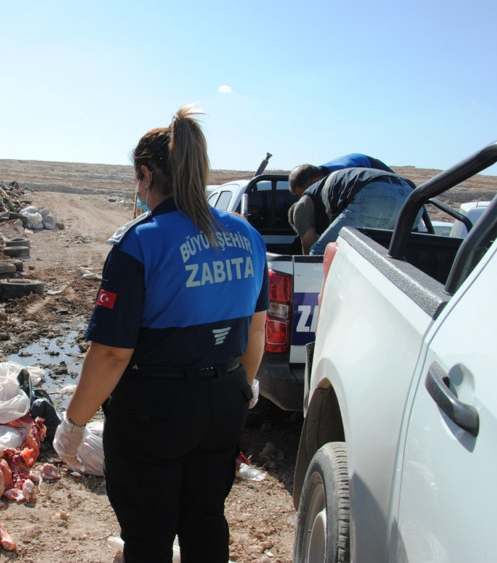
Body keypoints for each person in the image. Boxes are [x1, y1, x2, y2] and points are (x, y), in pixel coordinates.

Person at [52, 105, 269, 563]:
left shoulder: (140, 241)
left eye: (138, 180)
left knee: (149, 533)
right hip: (223, 403)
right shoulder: (247, 236)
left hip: (155, 411)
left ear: (146, 174)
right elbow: (255, 325)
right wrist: (244, 385)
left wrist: (73, 424)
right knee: (206, 520)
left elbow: (111, 352)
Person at [288, 166, 416, 255]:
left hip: (376, 195)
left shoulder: (304, 202)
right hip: (411, 194)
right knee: (387, 257)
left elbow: (308, 245)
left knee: (321, 252)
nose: (302, 198)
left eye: (301, 194)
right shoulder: (340, 182)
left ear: (315, 181)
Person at [288, 153, 394, 194]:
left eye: (306, 194)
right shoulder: (319, 174)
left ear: (315, 182)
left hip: (382, 177)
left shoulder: (343, 177)